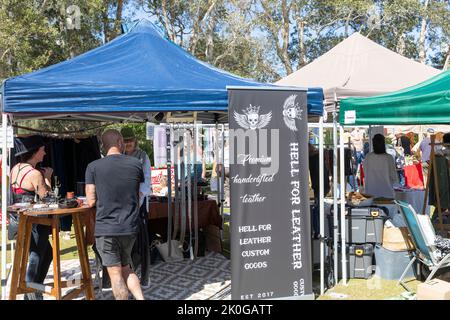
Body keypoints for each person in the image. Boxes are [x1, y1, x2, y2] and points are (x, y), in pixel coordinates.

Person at [85, 129, 145, 300]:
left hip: (107, 228)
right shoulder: (135, 164)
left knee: (115, 274)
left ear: (103, 146)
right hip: (129, 226)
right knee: (126, 268)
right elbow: (136, 192)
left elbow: (90, 201)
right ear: (120, 142)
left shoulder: (93, 167)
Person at [10, 135, 53, 300]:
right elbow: (48, 199)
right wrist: (48, 177)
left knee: (47, 253)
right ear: (35, 152)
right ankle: (31, 293)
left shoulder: (16, 168)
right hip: (36, 221)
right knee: (36, 256)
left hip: (22, 220)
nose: (44, 153)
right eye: (42, 150)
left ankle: (36, 289)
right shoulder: (35, 174)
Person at [121, 127, 152, 206]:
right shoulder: (119, 156)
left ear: (135, 141)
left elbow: (147, 177)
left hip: (138, 198)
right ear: (120, 142)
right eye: (125, 141)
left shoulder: (143, 156)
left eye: (130, 140)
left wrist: (140, 193)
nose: (128, 143)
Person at [362, 134, 399, 198]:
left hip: (370, 192)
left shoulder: (368, 157)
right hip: (387, 193)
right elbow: (393, 176)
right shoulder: (389, 158)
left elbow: (365, 172)